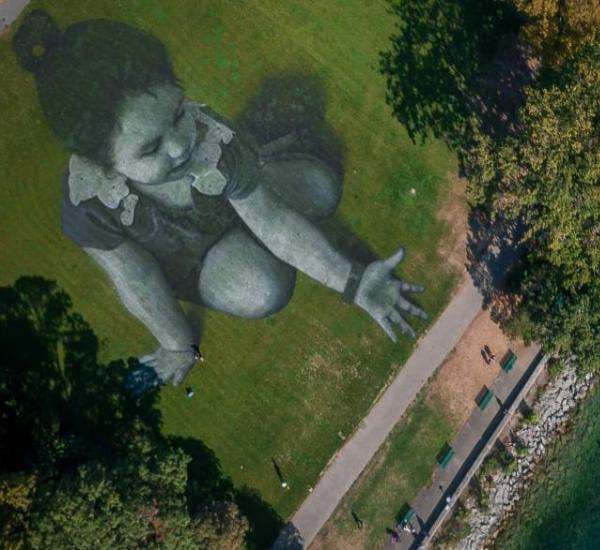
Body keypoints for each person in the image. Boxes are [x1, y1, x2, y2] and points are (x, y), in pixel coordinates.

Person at [12, 10, 428, 391]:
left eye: (177, 114)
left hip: (223, 201)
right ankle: (239, 230)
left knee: (320, 189)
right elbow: (137, 279)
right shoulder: (91, 203)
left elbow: (273, 221)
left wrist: (352, 282)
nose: (180, 146)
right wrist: (177, 345)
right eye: (150, 147)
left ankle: (250, 176)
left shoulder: (206, 140)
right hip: (186, 253)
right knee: (265, 287)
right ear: (103, 163)